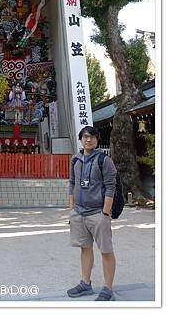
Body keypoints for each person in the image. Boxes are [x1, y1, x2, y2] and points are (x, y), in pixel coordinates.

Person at [67, 126, 117, 301]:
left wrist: (105, 213)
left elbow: (111, 186)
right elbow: (72, 182)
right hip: (79, 213)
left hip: (98, 213)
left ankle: (107, 288)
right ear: (81, 139)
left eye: (92, 137)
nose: (89, 140)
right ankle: (85, 283)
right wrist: (72, 207)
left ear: (97, 140)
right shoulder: (75, 159)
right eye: (86, 137)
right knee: (85, 248)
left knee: (106, 250)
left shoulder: (104, 160)